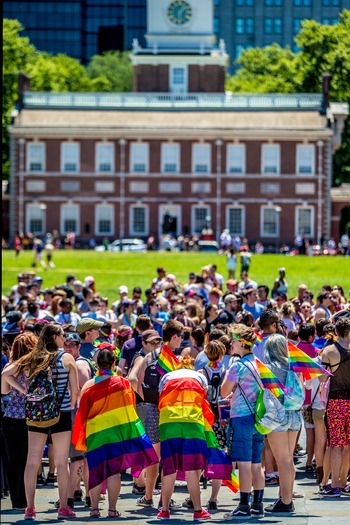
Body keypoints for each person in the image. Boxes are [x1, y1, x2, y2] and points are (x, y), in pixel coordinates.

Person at [2, 322, 79, 520]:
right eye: (62, 335)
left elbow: (5, 374)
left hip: (36, 413)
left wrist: (24, 391)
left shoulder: (32, 358)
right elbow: (75, 392)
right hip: (60, 414)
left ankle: (29, 508)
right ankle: (63, 507)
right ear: (54, 337)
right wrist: (67, 405)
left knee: (32, 462)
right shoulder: (66, 358)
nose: (65, 339)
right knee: (62, 463)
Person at [72, 348, 158, 518]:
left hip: (96, 434)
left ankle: (94, 509)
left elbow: (82, 413)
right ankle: (112, 509)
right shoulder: (123, 383)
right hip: (116, 435)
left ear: (97, 364)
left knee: (95, 470)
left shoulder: (89, 385)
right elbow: (130, 409)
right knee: (114, 472)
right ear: (114, 364)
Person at [221, 324, 265, 520]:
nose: (231, 343)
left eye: (233, 340)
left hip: (241, 417)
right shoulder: (259, 363)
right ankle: (258, 504)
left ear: (240, 343)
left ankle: (243, 505)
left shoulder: (237, 365)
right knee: (257, 465)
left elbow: (223, 391)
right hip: (258, 418)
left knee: (244, 465)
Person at [264, 334, 303, 514]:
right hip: (294, 414)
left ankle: (286, 501)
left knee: (282, 460)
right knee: (288, 459)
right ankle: (285, 497)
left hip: (277, 416)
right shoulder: (294, 366)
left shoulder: (269, 368)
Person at [1, 333, 37, 511]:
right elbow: (5, 376)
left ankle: (16, 500)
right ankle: (23, 500)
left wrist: (16, 387)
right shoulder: (33, 365)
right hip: (28, 418)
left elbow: (4, 389)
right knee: (25, 461)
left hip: (10, 417)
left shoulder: (11, 365)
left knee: (12, 461)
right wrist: (23, 389)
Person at [319, 317, 350, 497]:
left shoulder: (330, 351)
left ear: (336, 332)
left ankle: (336, 485)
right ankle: (345, 481)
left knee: (337, 443)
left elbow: (322, 379)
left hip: (336, 402)